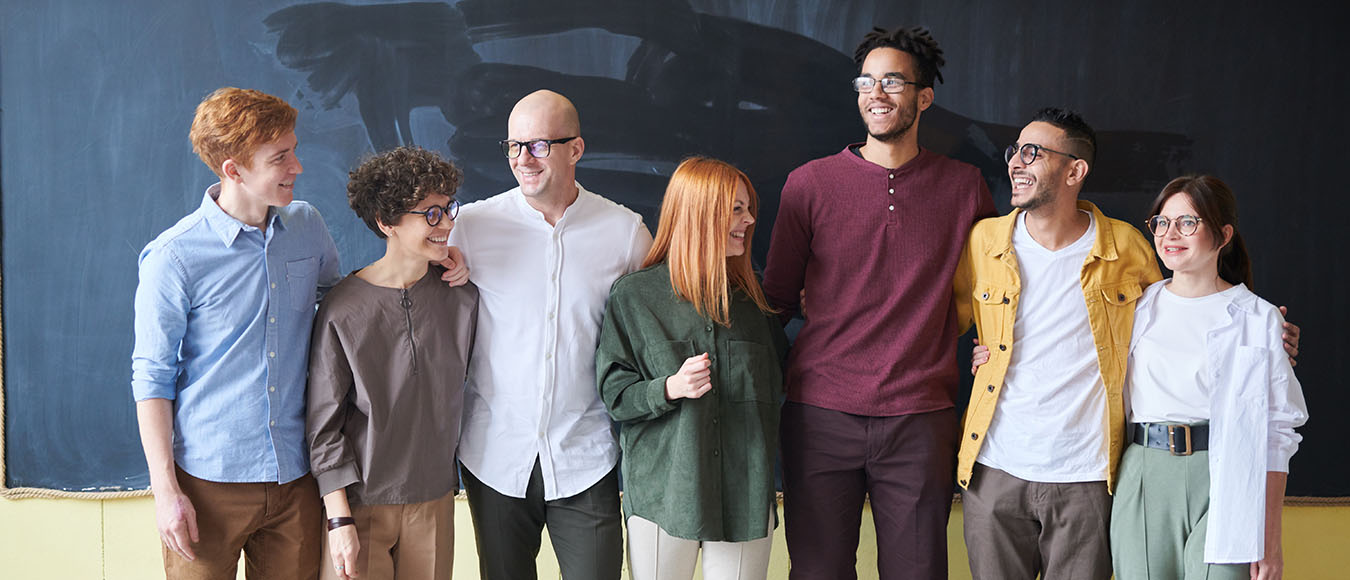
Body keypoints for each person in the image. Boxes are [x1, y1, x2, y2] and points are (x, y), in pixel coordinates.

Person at [956, 111, 1301, 580]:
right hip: (999, 464)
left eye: (1033, 152)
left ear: (1075, 171)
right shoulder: (984, 240)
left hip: (1090, 472)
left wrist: (1264, 334)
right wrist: (985, 352)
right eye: (1015, 150)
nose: (1017, 161)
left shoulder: (1126, 247)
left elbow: (1190, 304)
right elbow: (949, 322)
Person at [761, 26, 995, 579]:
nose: (876, 94)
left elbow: (996, 291)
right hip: (819, 413)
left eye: (892, 81)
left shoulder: (965, 188)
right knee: (818, 572)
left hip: (921, 417)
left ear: (924, 97)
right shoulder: (809, 184)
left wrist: (992, 350)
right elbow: (775, 301)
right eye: (866, 81)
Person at [131, 87, 340, 579]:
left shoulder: (307, 225)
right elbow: (152, 379)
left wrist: (424, 262)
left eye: (294, 150)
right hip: (207, 486)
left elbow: (343, 306)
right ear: (234, 170)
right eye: (281, 157)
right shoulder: (174, 258)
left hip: (297, 476)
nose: (298, 167)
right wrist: (166, 493)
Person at [443, 89, 653, 580]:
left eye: (538, 145)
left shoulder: (625, 232)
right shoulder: (470, 226)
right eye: (514, 146)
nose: (523, 159)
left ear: (575, 150)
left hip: (585, 453)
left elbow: (663, 318)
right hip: (494, 454)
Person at [597, 157, 788, 580]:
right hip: (665, 497)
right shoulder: (636, 297)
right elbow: (615, 393)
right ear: (702, 213)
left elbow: (785, 382)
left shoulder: (754, 307)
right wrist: (669, 388)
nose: (750, 219)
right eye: (736, 209)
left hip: (744, 498)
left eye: (747, 207)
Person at [1109, 175, 1308, 580]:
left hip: (1227, 475)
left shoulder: (1259, 318)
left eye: (1188, 222)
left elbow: (1277, 435)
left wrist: (1271, 541)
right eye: (1162, 222)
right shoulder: (1135, 306)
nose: (1170, 234)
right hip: (1144, 474)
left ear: (1223, 235)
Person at [306, 146, 478, 580]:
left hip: (436, 499)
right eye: (430, 214)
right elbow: (324, 425)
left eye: (447, 208)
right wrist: (338, 519)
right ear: (387, 223)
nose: (447, 223)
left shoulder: (462, 294)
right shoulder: (341, 310)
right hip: (360, 505)